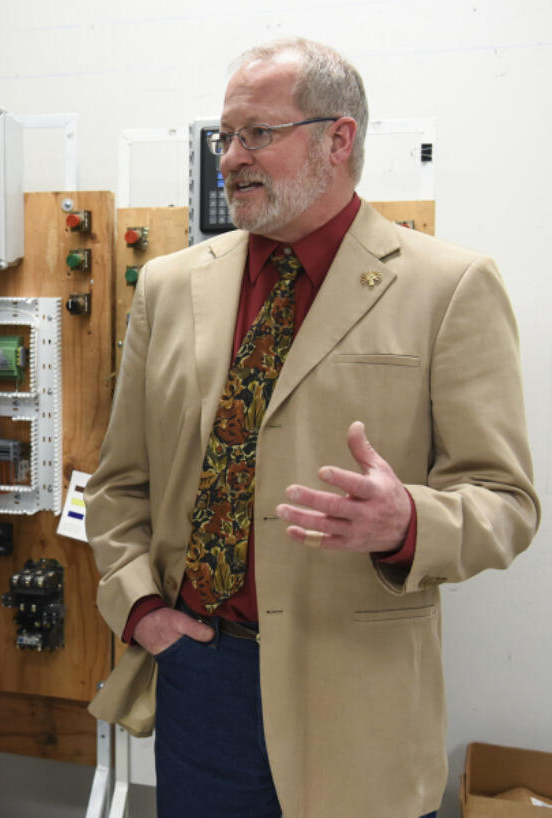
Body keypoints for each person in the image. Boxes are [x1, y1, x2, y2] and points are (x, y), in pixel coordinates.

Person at [85, 37, 538, 818]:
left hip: (358, 691)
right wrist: (138, 606)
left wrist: (408, 521)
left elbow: (506, 503)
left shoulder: (449, 287)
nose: (231, 157)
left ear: (339, 139)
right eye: (224, 137)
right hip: (203, 681)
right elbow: (122, 479)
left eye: (258, 133)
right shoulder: (170, 286)